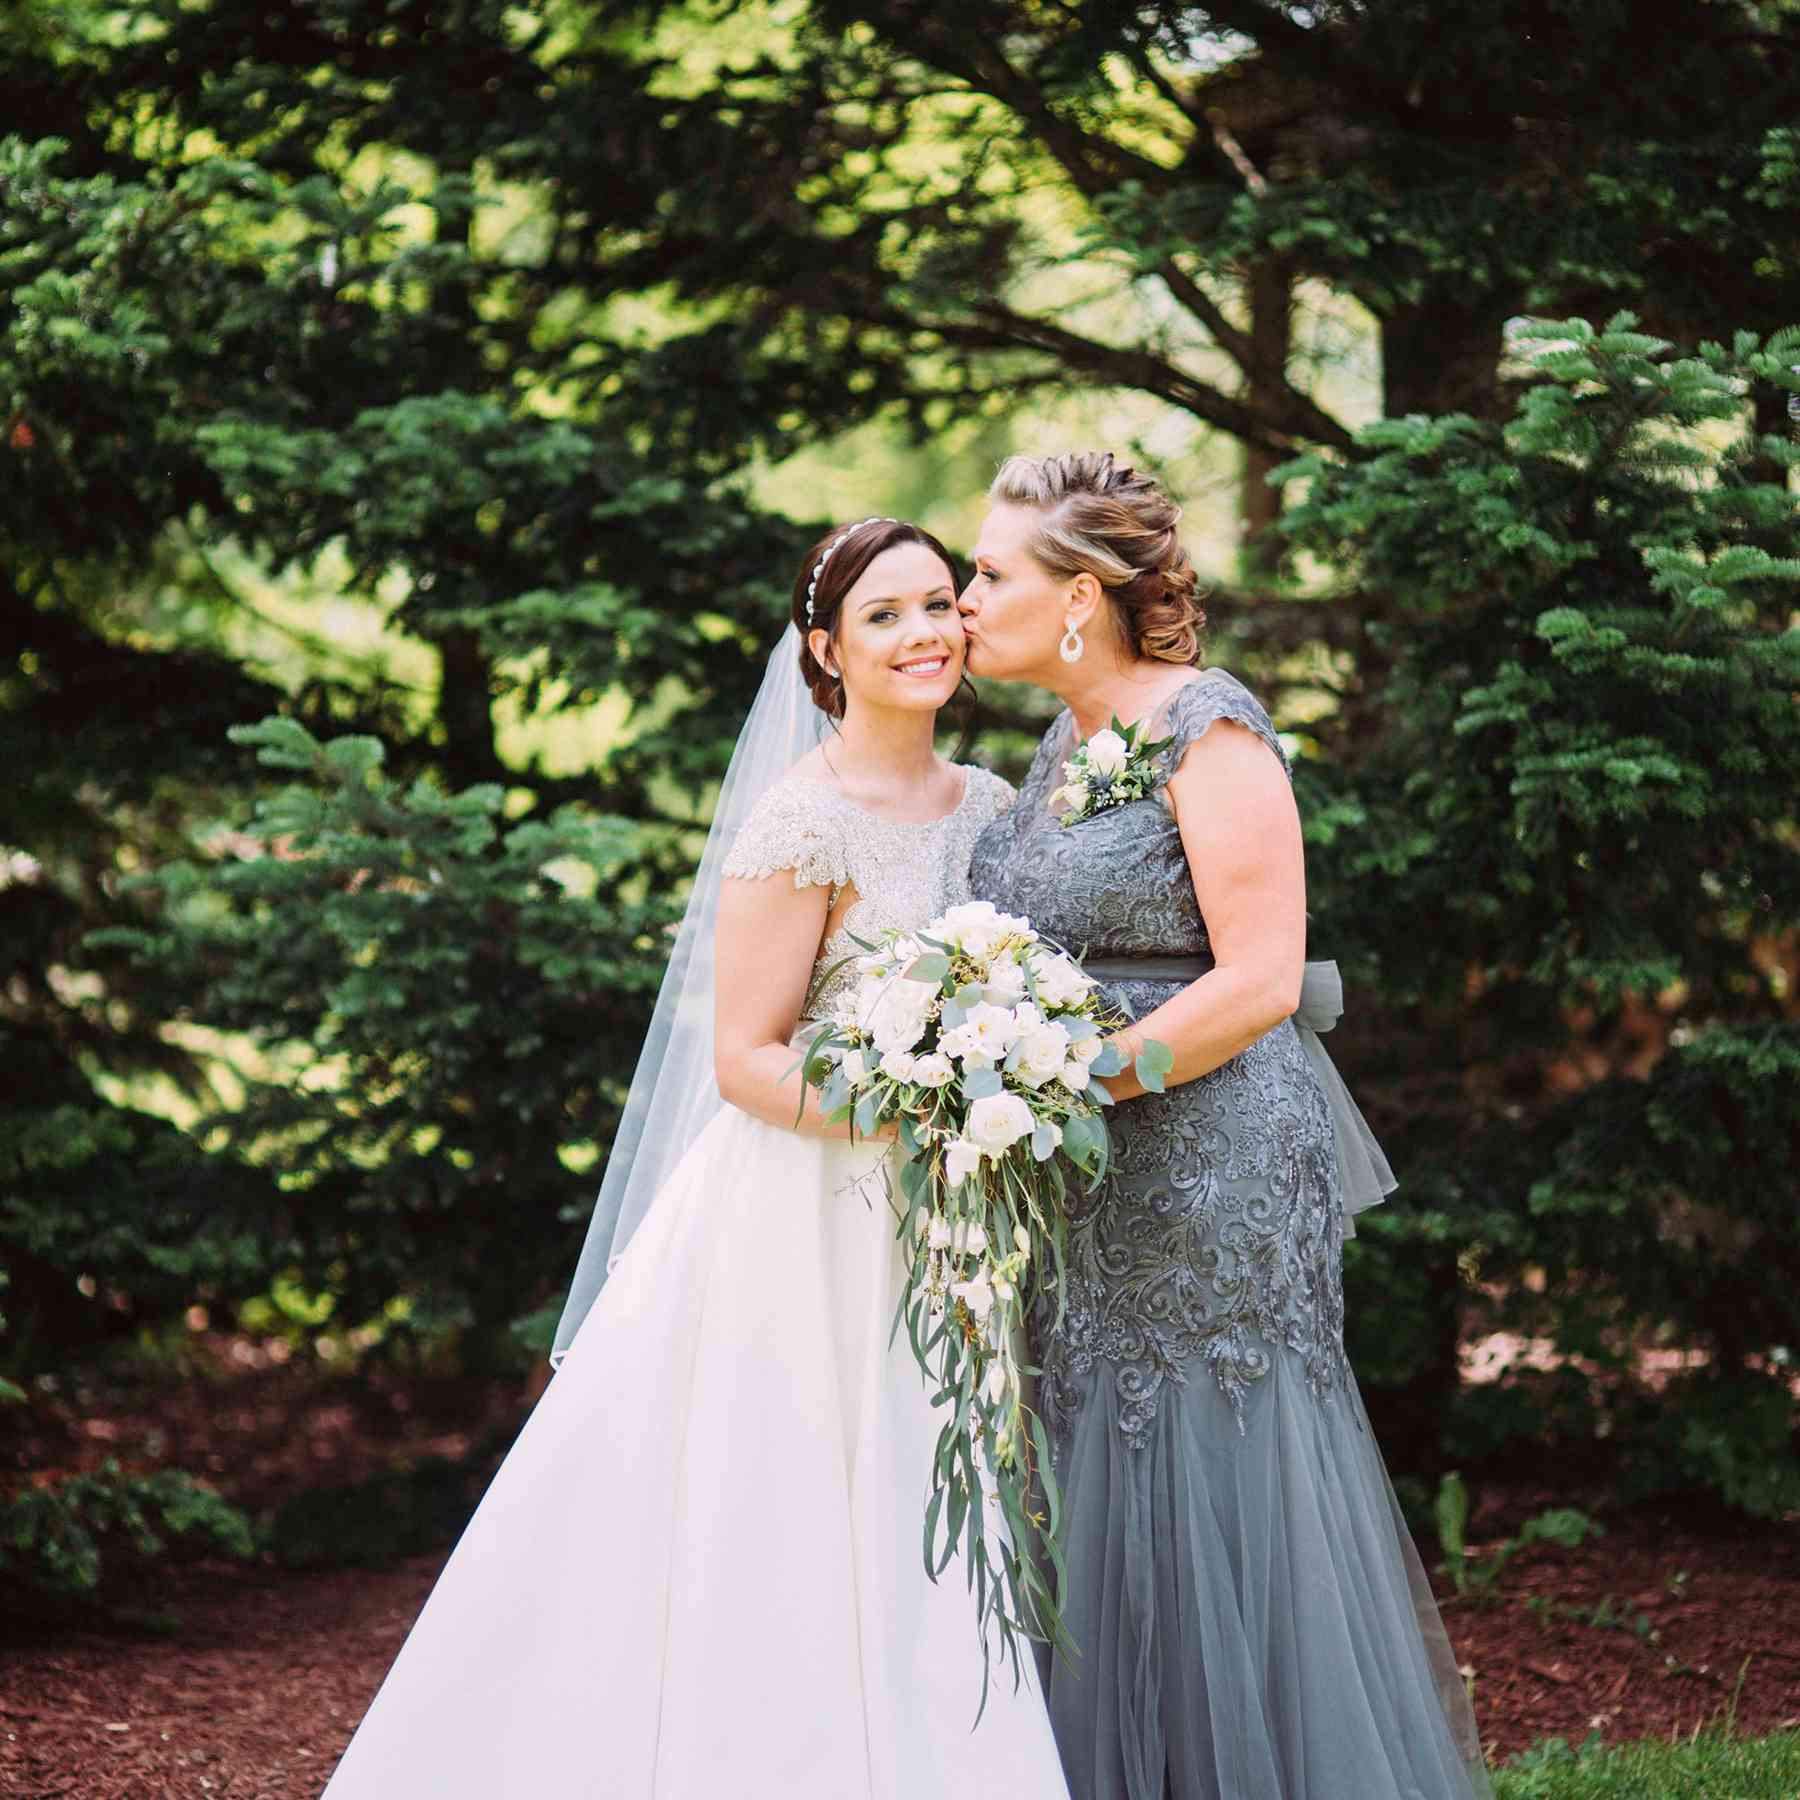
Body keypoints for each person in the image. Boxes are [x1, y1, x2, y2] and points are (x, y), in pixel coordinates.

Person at [319, 518, 1071, 1799]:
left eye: (940, 603)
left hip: (945, 1216)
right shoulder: (799, 819)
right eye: (882, 616)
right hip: (805, 1214)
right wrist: (925, 1096)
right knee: (780, 1506)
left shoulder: (995, 808)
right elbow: (746, 1059)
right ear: (825, 651)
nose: (924, 632)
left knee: (918, 1502)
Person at [960, 452, 1495, 1800]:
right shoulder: (1066, 742)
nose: (967, 600)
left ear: (1079, 597)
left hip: (1207, 1165)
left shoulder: (1213, 727)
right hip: (1075, 1168)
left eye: (990, 575)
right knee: (1089, 1457)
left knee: (1203, 1450)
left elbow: (1260, 979)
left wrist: (1066, 1085)